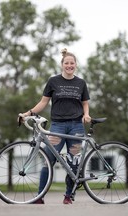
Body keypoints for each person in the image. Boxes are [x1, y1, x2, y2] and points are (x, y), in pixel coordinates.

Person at [19, 48, 91, 204]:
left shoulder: (81, 83)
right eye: (67, 63)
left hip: (76, 127)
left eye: (72, 63)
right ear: (62, 64)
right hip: (57, 127)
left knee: (74, 162)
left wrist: (86, 114)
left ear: (76, 65)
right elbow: (43, 102)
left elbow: (85, 103)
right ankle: (39, 196)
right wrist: (28, 113)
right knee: (48, 159)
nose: (69, 65)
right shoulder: (53, 81)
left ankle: (68, 196)